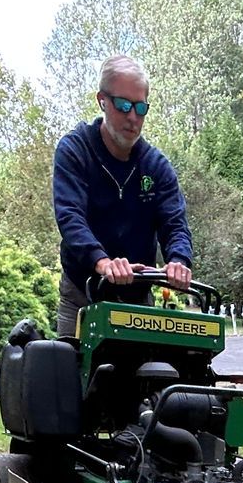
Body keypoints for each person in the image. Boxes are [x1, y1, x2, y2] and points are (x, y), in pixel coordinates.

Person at [52, 54, 193, 337]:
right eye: (124, 106)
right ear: (102, 100)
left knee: (147, 376)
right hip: (83, 293)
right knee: (70, 375)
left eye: (141, 108)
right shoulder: (75, 151)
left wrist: (179, 260)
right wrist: (102, 262)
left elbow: (174, 224)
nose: (133, 118)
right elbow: (70, 216)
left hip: (138, 300)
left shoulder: (156, 166)